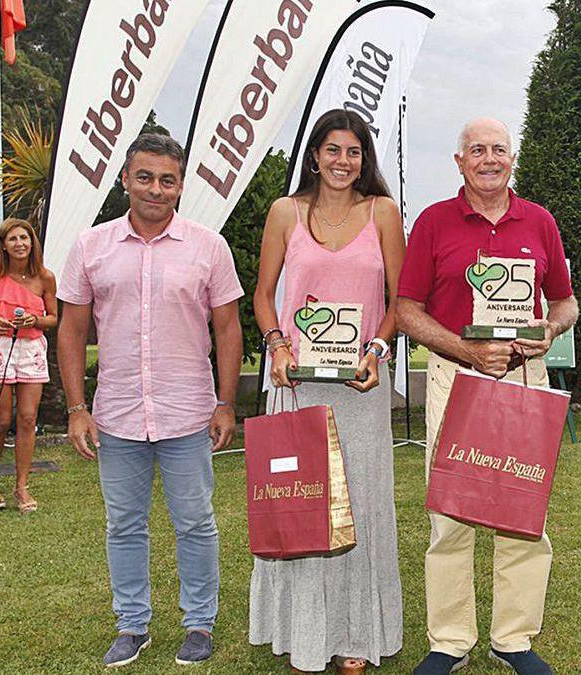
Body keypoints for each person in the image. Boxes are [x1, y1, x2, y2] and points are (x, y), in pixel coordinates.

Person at [396, 117, 578, 675]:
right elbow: (406, 311)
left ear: (512, 158)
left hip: (525, 377)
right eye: (477, 150)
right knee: (451, 513)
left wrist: (548, 330)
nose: (489, 159)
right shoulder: (433, 222)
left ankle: (513, 639)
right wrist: (465, 351)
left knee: (522, 514)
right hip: (457, 377)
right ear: (460, 162)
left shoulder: (539, 221)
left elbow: (566, 304)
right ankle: (450, 640)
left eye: (499, 149)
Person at [56, 133, 244, 667]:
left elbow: (228, 330)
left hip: (188, 413)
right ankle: (132, 624)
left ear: (182, 185)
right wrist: (76, 408)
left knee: (195, 522)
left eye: (167, 180)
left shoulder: (210, 247)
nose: (155, 189)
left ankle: (199, 623)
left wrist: (225, 402)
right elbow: (70, 331)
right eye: (145, 177)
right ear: (125, 181)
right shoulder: (90, 247)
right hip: (116, 415)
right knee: (123, 525)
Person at [249, 109, 405, 674]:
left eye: (354, 151)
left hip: (360, 387)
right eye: (333, 150)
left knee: (359, 507)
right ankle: (305, 633)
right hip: (296, 386)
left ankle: (356, 636)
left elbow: (398, 302)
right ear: (313, 155)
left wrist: (378, 351)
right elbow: (264, 295)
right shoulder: (283, 213)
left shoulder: (383, 213)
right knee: (301, 506)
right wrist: (277, 346)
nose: (343, 161)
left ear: (365, 159)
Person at [0, 217, 57, 513]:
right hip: (0, 348)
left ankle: (22, 486)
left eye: (25, 238)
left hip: (31, 349)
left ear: (33, 243)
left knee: (28, 419)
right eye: (13, 239)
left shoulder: (45, 277)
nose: (20, 244)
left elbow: (53, 318)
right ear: (3, 246)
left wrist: (35, 320)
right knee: (2, 420)